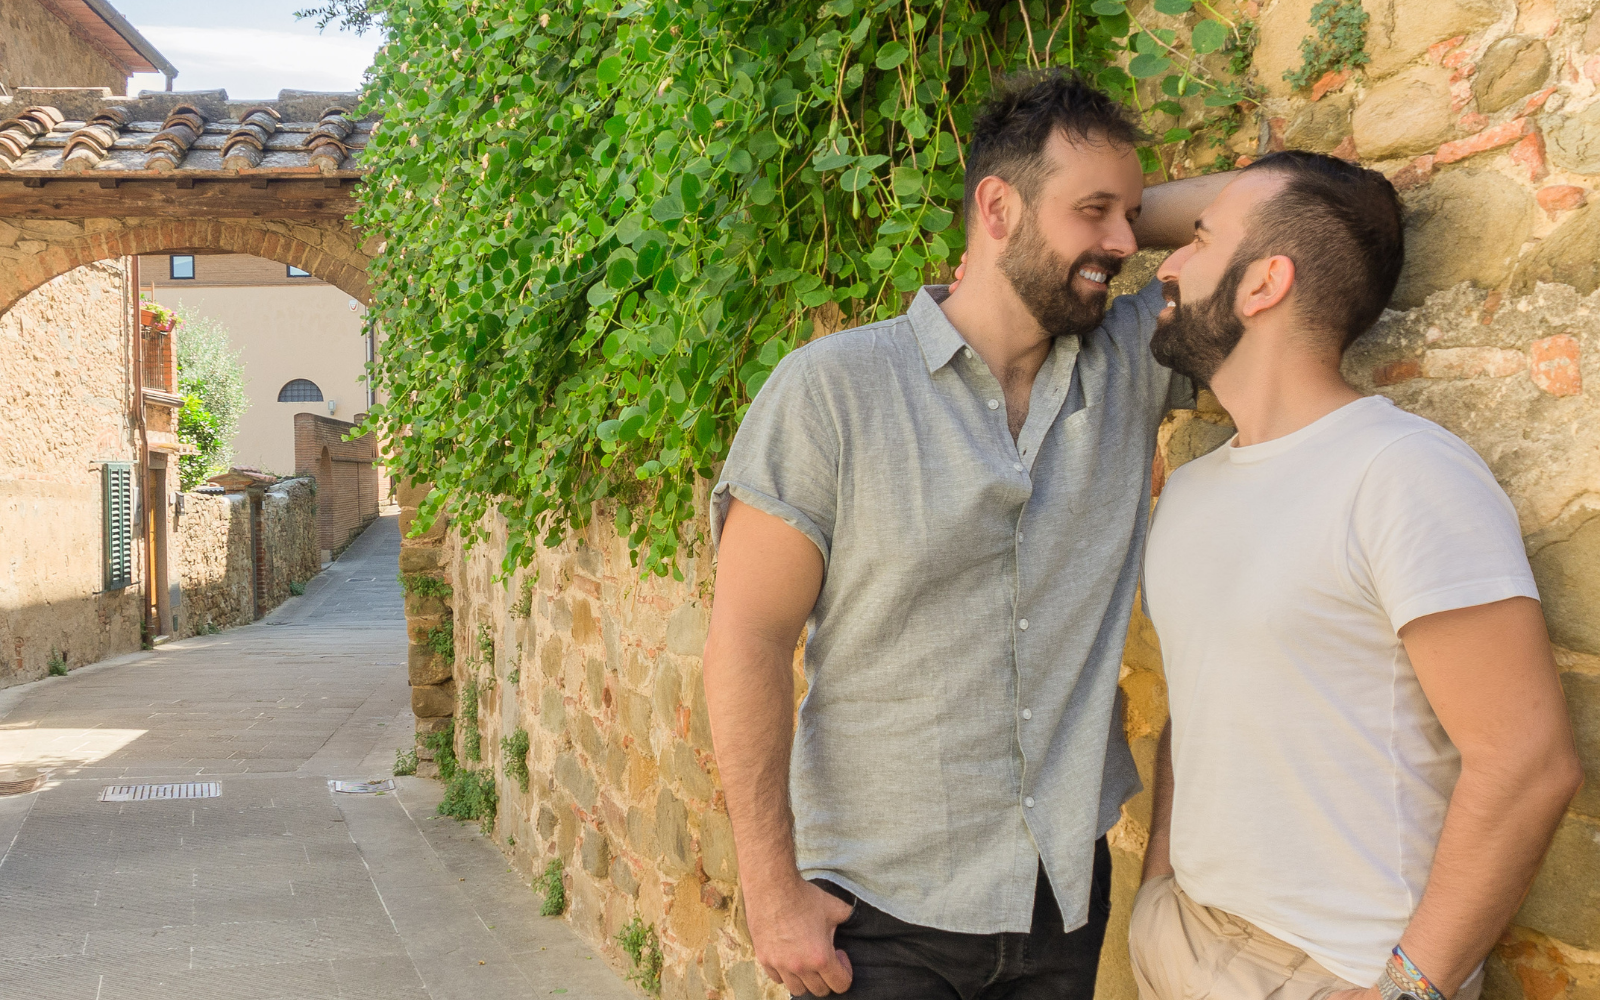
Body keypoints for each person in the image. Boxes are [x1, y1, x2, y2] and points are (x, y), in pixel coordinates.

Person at [701, 69, 1233, 999]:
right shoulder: (833, 391)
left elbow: (1268, 207)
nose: (1122, 242)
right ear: (996, 207)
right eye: (1094, 211)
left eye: (1133, 215)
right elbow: (747, 638)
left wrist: (1112, 214)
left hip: (1061, 899)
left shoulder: (1130, 362)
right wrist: (769, 888)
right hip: (874, 914)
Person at [1133, 150, 1584, 1000]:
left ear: (1264, 284)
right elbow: (1201, 713)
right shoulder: (1189, 491)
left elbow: (1529, 762)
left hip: (1335, 970)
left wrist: (1408, 989)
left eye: (1196, 240)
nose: (1165, 263)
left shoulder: (1403, 474)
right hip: (1179, 933)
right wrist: (1158, 885)